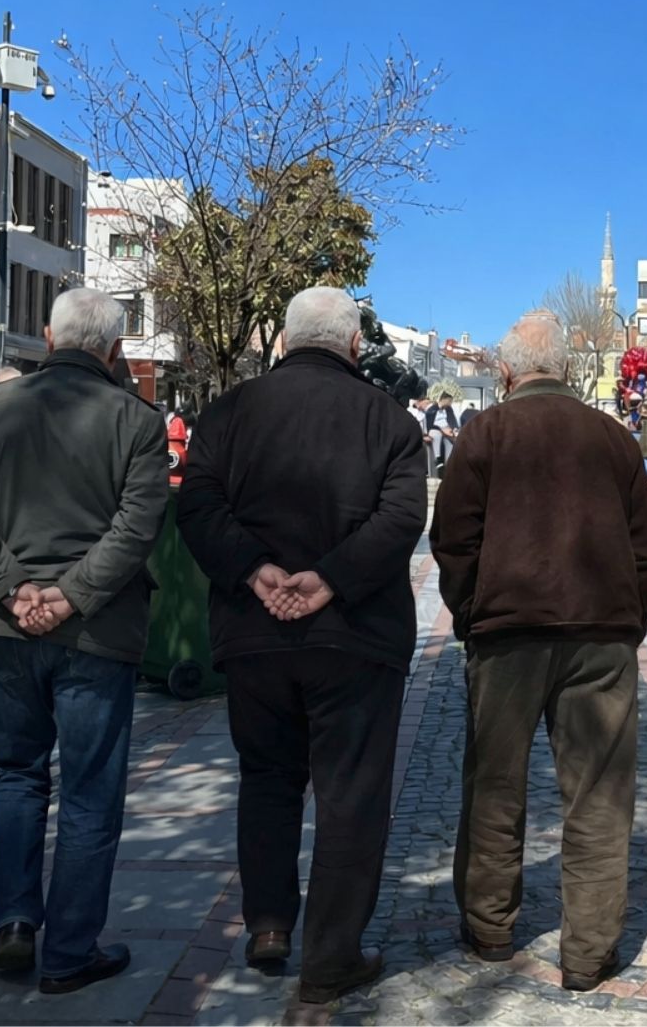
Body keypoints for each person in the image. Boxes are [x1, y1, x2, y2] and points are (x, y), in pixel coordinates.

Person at [176, 288, 425, 1005]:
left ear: (284, 341)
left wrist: (254, 571)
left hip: (254, 635)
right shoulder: (390, 420)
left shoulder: (228, 413)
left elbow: (196, 505)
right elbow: (403, 515)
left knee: (267, 778)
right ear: (353, 346)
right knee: (351, 796)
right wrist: (331, 580)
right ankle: (332, 955)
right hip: (356, 637)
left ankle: (269, 925)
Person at [0, 288, 168, 994]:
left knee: (18, 774)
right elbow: (138, 525)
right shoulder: (136, 420)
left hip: (8, 630)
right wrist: (71, 595)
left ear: (46, 336)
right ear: (115, 349)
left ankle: (13, 924)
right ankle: (69, 951)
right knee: (91, 794)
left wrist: (10, 589)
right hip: (96, 632)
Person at [429, 313, 647, 993]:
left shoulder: (485, 434)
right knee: (599, 796)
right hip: (600, 637)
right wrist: (627, 613)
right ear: (564, 368)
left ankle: (490, 928)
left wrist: (473, 614)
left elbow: (453, 542)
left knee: (495, 786)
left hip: (507, 637)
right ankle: (588, 953)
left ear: (505, 372)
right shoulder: (612, 439)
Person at [424, 393, 461, 476]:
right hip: (436, 429)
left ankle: (449, 462)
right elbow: (430, 425)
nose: (450, 403)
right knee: (436, 435)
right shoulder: (432, 409)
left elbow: (452, 420)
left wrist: (454, 429)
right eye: (449, 401)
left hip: (447, 430)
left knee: (452, 441)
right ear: (443, 400)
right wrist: (442, 430)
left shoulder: (449, 409)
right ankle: (438, 458)